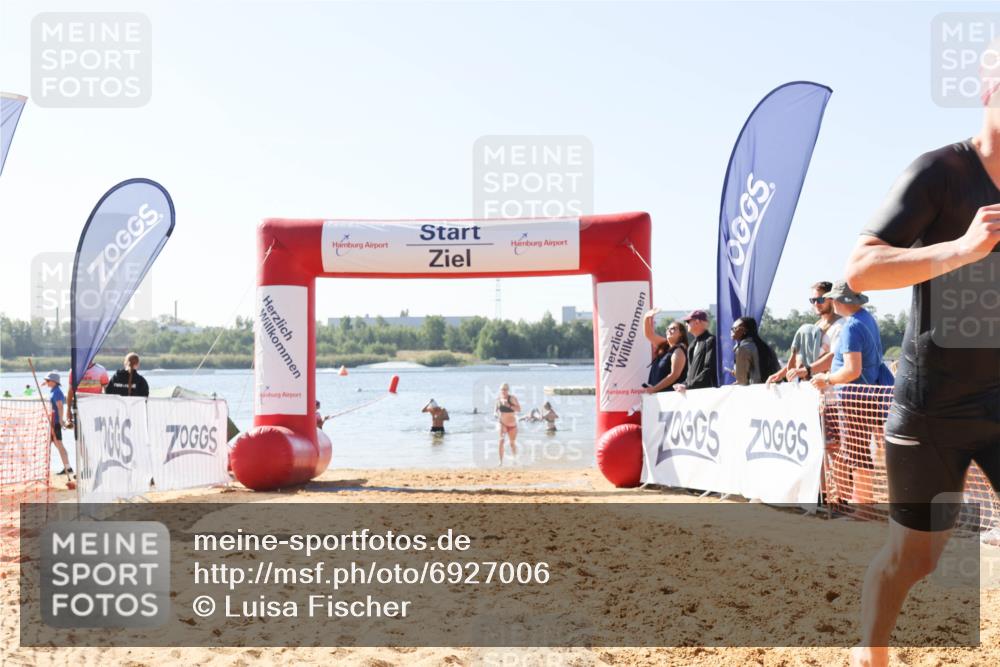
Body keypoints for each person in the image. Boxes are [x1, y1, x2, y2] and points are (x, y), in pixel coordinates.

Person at [843, 67, 1000, 667]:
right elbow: (861, 268)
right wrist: (961, 249)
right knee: (917, 558)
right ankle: (871, 651)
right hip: (933, 407)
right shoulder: (940, 172)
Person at [810, 282, 894, 506]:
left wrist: (826, 378)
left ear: (842, 301)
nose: (831, 302)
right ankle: (857, 501)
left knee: (856, 451)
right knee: (856, 449)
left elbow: (852, 369)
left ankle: (863, 506)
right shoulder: (866, 319)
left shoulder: (851, 327)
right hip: (866, 393)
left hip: (854, 396)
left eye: (834, 298)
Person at [769, 281, 845, 384]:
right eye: (813, 300)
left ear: (832, 299)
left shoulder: (841, 326)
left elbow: (835, 357)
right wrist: (780, 374)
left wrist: (806, 370)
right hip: (815, 387)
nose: (816, 304)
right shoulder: (817, 326)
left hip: (832, 388)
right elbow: (803, 358)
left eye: (820, 299)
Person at [642, 310, 688, 393]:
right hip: (657, 395)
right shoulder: (665, 345)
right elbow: (649, 334)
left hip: (669, 398)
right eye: (668, 329)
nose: (669, 331)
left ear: (681, 333)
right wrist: (646, 317)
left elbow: (674, 375)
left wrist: (655, 389)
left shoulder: (679, 351)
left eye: (673, 329)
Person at [730, 317, 779, 385]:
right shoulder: (767, 347)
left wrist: (738, 375)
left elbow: (742, 380)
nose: (731, 331)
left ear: (744, 330)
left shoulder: (743, 348)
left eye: (734, 328)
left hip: (755, 391)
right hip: (772, 389)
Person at [677, 309, 717, 391]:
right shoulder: (692, 345)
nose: (686, 324)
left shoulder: (711, 340)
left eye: (688, 321)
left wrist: (688, 386)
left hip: (706, 394)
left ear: (697, 322)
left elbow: (709, 370)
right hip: (693, 393)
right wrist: (683, 384)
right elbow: (690, 374)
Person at [43, 372, 72, 479]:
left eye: (47, 381)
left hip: (55, 422)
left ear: (54, 382)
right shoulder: (54, 390)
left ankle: (68, 468)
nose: (46, 382)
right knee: (57, 445)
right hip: (52, 422)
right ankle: (67, 467)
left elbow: (60, 406)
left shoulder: (57, 392)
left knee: (59, 445)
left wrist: (60, 420)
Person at [64, 360, 109, 426]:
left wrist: (107, 408)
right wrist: (68, 410)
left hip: (96, 409)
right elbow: (70, 390)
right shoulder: (74, 370)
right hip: (79, 409)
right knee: (81, 433)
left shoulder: (101, 369)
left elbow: (107, 391)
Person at [494, 383, 521, 465]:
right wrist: (495, 414)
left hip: (512, 425)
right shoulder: (498, 399)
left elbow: (519, 409)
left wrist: (509, 406)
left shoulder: (512, 398)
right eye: (502, 389)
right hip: (502, 423)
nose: (503, 391)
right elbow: (495, 409)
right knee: (501, 441)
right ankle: (500, 461)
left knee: (512, 443)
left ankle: (514, 459)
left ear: (508, 390)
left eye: (505, 389)